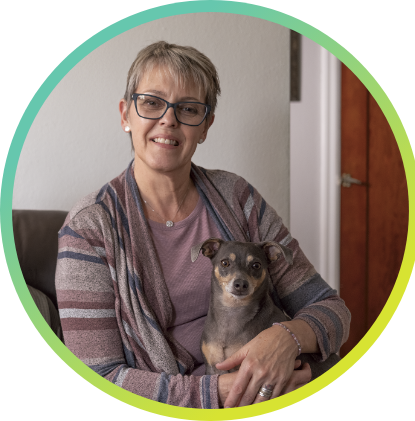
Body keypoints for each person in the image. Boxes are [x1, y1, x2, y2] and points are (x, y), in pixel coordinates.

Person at [55, 41, 350, 409]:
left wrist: (285, 339)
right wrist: (221, 392)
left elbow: (331, 309)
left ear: (206, 126)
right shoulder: (89, 229)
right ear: (125, 115)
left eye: (189, 108)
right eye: (151, 102)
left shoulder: (237, 197)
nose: (168, 119)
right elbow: (97, 375)